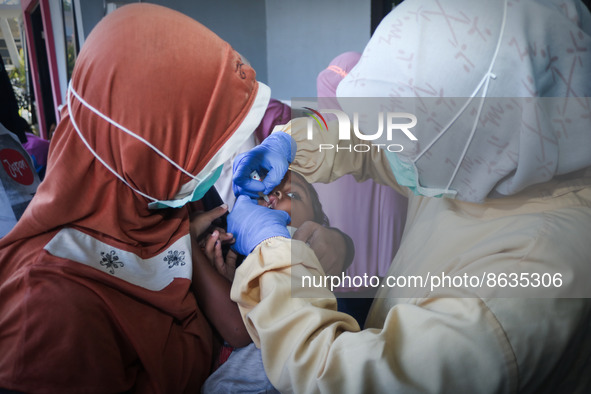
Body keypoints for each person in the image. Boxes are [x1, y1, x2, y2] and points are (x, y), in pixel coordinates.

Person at [226, 0, 591, 392]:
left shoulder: (528, 277)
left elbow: (333, 376)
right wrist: (292, 144)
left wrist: (273, 254)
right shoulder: (494, 152)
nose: (389, 142)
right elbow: (378, 139)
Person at [0, 4, 273, 392]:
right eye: (205, 146)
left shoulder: (166, 199)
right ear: (140, 149)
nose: (220, 163)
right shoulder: (47, 312)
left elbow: (239, 325)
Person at [193, 169, 333, 393]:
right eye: (267, 191)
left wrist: (187, 243)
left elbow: (238, 330)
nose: (273, 197)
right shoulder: (241, 252)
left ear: (315, 225)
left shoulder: (297, 248)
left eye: (294, 196)